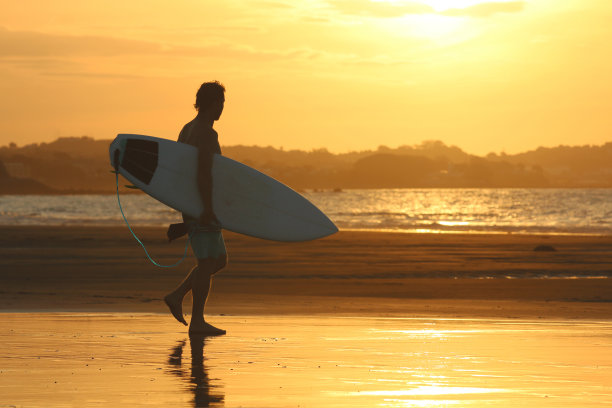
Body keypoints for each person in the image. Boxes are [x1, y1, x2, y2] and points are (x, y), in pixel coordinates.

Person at [164, 81, 228, 335]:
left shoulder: (187, 128)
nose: (222, 108)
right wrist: (207, 209)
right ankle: (197, 320)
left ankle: (177, 296)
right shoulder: (206, 133)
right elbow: (204, 173)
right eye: (221, 103)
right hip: (201, 203)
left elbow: (180, 171)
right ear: (213, 104)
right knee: (208, 261)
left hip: (191, 202)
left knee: (217, 260)